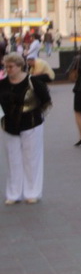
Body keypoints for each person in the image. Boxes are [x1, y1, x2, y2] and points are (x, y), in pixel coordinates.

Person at [0, 53, 51, 204]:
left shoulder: (33, 82)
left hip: (31, 124)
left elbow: (46, 101)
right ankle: (13, 194)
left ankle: (32, 193)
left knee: (32, 159)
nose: (8, 69)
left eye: (11, 66)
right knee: (12, 160)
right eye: (6, 66)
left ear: (19, 66)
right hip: (9, 125)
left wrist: (38, 118)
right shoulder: (2, 84)